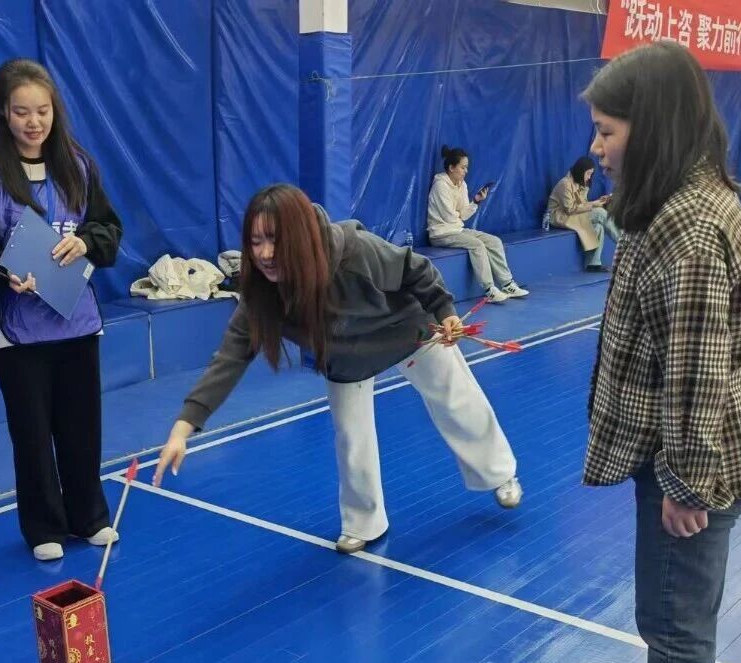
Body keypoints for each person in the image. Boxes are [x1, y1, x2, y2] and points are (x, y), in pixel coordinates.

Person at [567, 40, 741, 663]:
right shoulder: (679, 201)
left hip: (690, 465)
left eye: (607, 131)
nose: (597, 147)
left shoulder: (689, 228)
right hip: (680, 454)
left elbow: (696, 373)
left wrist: (686, 484)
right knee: (669, 606)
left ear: (650, 128)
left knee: (677, 616)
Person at [153, 184, 523, 554]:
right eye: (256, 242)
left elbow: (415, 269)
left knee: (458, 401)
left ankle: (500, 474)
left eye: (275, 240)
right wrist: (183, 427)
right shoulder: (262, 294)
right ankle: (364, 522)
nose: (264, 254)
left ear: (299, 236)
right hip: (346, 356)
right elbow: (230, 357)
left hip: (407, 332)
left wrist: (446, 312)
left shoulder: (355, 250)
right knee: (351, 438)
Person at [0, 58, 123, 562]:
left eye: (42, 111)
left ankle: (89, 516)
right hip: (16, 330)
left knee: (81, 426)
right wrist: (3, 271)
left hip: (75, 322)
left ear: (55, 111)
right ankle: (44, 525)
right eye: (22, 112)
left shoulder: (79, 166)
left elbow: (108, 228)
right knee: (31, 432)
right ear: (3, 114)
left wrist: (86, 243)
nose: (33, 122)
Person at [426, 146, 529, 304]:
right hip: (440, 233)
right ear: (451, 168)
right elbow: (448, 217)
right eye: (463, 167)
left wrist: (476, 201)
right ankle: (489, 290)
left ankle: (507, 284)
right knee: (477, 245)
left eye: (467, 167)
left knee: (494, 241)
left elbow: (463, 215)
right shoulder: (440, 185)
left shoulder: (462, 184)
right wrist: (458, 215)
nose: (466, 171)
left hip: (457, 229)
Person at [546, 157, 621, 273]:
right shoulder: (565, 184)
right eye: (588, 173)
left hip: (573, 214)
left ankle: (593, 264)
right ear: (581, 171)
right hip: (559, 216)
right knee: (601, 213)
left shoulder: (581, 183)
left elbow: (582, 204)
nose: (589, 177)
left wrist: (599, 201)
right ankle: (624, 244)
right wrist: (594, 204)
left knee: (598, 226)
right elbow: (570, 209)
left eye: (591, 174)